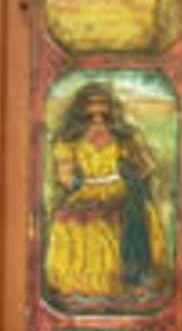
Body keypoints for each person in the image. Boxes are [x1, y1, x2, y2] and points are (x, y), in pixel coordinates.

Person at [44, 82, 163, 305]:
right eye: (92, 109)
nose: (98, 116)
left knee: (129, 215)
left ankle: (132, 281)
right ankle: (83, 288)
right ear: (81, 110)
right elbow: (65, 176)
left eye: (103, 109)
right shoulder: (68, 139)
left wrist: (129, 176)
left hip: (121, 187)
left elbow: (148, 164)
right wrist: (77, 182)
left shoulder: (124, 136)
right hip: (86, 189)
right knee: (75, 219)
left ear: (110, 109)